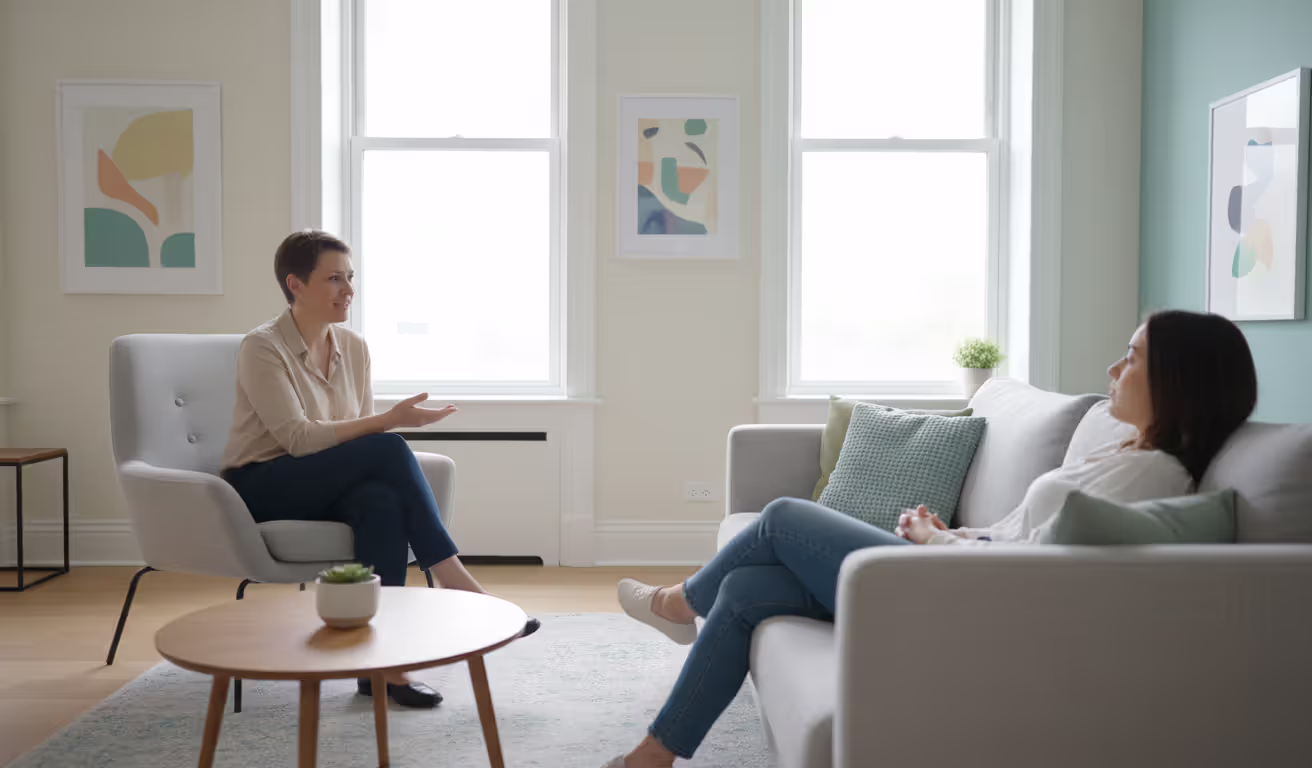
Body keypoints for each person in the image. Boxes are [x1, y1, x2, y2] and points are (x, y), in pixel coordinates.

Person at [601, 310, 1258, 767]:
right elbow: (1028, 535)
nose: (1115, 366)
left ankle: (679, 605)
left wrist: (936, 545)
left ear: (1178, 379)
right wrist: (953, 532)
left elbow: (1044, 571)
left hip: (960, 604)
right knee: (744, 589)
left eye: (1135, 356)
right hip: (955, 578)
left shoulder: (1150, 473)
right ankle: (653, 756)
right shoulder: (1122, 453)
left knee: (780, 514)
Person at [220, 230, 538, 709]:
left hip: (322, 479)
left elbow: (356, 441)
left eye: (350, 278)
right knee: (389, 448)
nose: (348, 289)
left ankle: (381, 668)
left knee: (382, 502)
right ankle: (457, 580)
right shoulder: (261, 348)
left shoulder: (355, 348)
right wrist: (390, 421)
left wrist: (383, 427)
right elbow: (298, 439)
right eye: (333, 278)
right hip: (264, 483)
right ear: (296, 284)